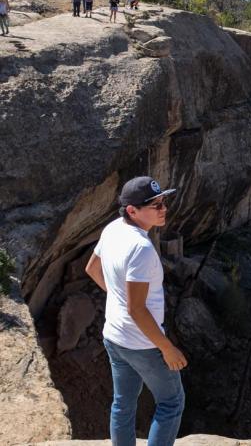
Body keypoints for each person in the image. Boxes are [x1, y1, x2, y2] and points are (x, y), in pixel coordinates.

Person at [85, 176, 186, 446]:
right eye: (155, 205)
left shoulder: (112, 229)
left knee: (123, 404)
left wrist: (117, 296)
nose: (163, 209)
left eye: (163, 202)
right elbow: (137, 310)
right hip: (142, 343)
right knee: (171, 402)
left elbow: (92, 269)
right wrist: (167, 348)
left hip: (114, 337)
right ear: (132, 210)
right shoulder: (141, 249)